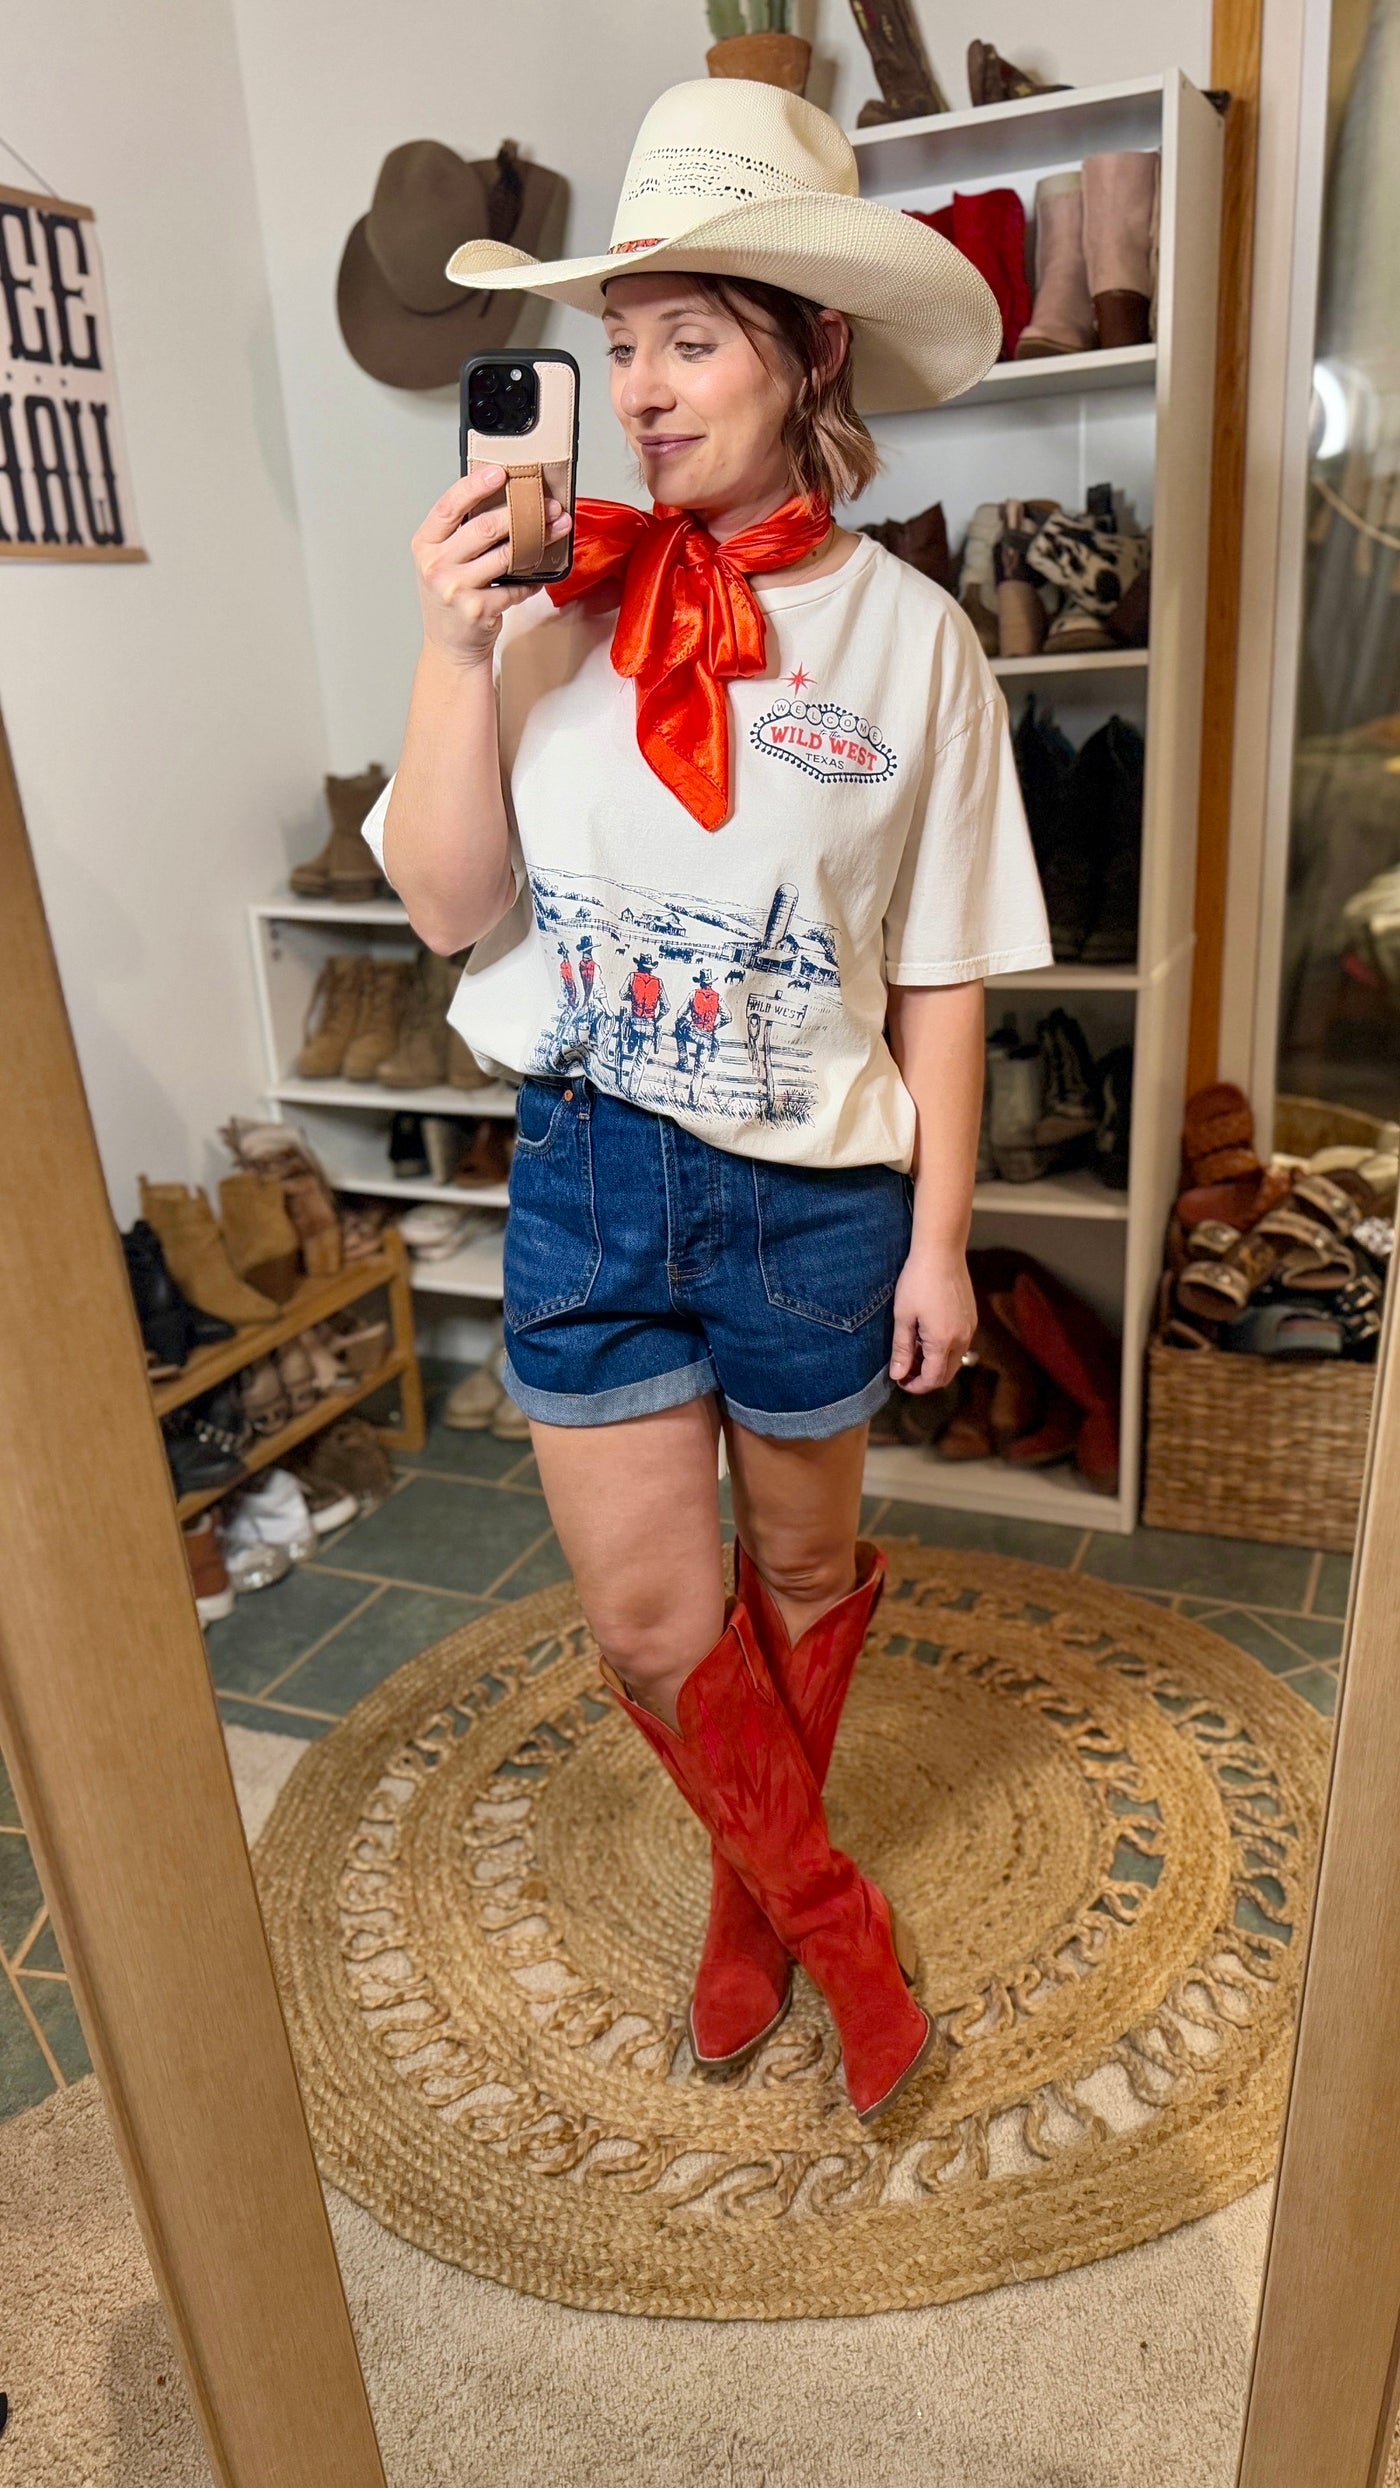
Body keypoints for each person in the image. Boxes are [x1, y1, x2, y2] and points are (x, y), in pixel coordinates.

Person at [362, 78, 1052, 2125]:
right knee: (662, 1625)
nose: (639, 388)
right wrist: (450, 640)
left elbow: (937, 963)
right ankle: (833, 1913)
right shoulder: (546, 608)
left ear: (806, 348)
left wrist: (936, 1234)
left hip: (819, 1198)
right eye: (618, 340)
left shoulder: (913, 640)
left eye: (688, 336)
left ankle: (747, 1905)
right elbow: (447, 903)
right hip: (589, 1176)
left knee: (807, 1579)